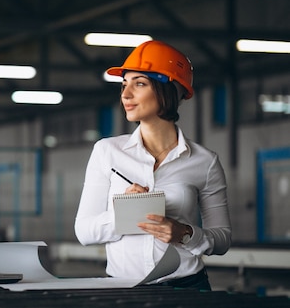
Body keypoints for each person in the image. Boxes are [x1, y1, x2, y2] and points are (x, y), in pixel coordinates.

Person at [74, 40, 231, 290]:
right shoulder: (107, 152)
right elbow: (84, 232)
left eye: (139, 84)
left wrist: (185, 234)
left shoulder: (205, 161)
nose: (125, 94)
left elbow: (222, 239)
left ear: (167, 90)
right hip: (124, 290)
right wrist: (122, 213)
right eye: (124, 85)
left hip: (188, 288)